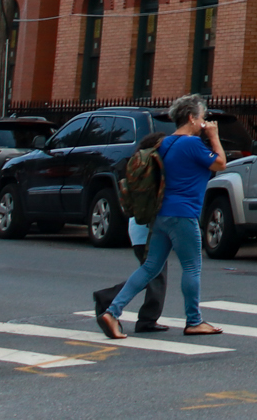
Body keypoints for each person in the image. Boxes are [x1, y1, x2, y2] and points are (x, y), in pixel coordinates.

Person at [97, 95, 227, 338]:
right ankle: (194, 321)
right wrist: (214, 137)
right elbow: (220, 163)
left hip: (162, 213)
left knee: (150, 267)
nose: (205, 122)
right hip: (184, 214)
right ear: (191, 118)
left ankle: (112, 312)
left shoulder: (165, 144)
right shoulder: (192, 144)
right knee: (192, 267)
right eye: (202, 118)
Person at [92, 132, 166, 331]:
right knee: (154, 274)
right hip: (146, 231)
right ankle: (112, 300)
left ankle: (146, 318)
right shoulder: (151, 168)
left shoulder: (140, 166)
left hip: (139, 229)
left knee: (153, 274)